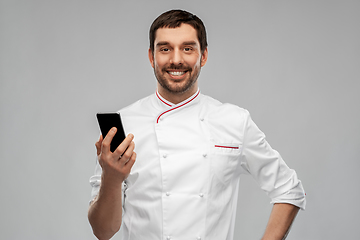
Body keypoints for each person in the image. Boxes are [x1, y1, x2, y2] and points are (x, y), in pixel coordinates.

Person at [88, 9, 306, 240]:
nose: (176, 59)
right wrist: (111, 179)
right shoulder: (123, 124)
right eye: (165, 49)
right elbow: (103, 231)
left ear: (203, 56)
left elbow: (289, 189)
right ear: (152, 57)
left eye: (188, 48)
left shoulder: (233, 121)